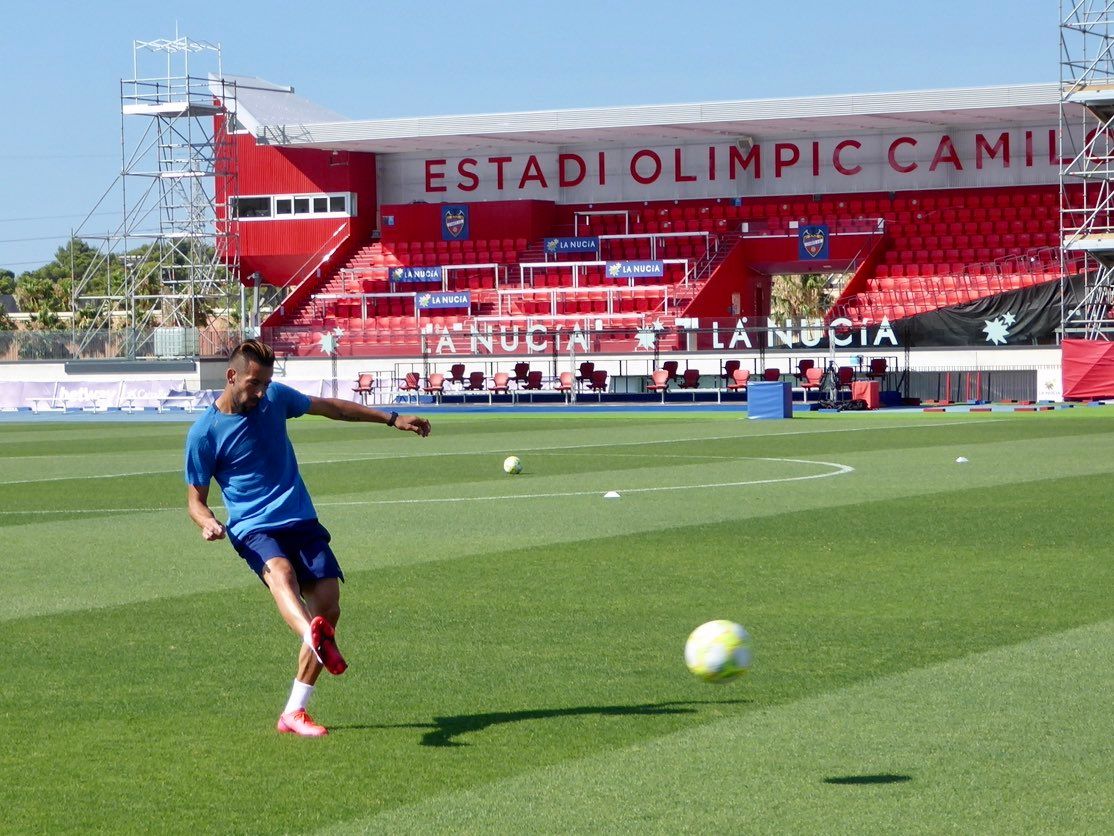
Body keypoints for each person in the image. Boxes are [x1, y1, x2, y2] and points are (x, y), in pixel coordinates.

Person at [184, 339, 431, 737]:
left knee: (328, 607)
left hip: (299, 517)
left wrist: (391, 418)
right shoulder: (204, 434)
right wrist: (207, 522)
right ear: (232, 377)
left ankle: (294, 712)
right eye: (253, 383)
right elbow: (195, 500)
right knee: (280, 573)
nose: (261, 391)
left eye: (265, 383)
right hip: (253, 526)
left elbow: (331, 408)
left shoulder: (275, 399)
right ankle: (311, 636)